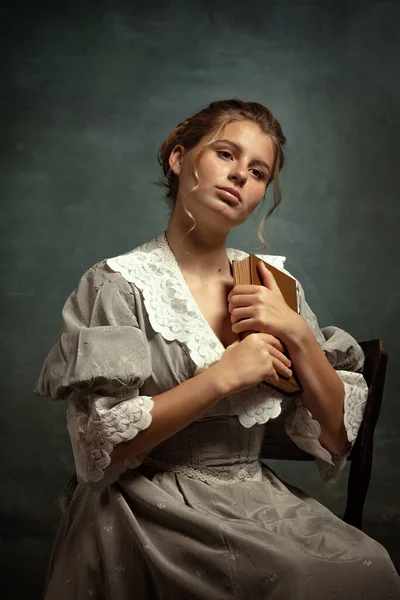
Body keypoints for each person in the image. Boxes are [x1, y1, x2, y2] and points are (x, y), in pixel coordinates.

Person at [35, 99, 400, 599]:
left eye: (257, 172)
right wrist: (224, 375)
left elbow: (337, 439)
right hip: (143, 504)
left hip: (254, 499)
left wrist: (293, 331)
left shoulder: (276, 284)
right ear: (180, 159)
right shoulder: (116, 285)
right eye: (225, 154)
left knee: (369, 567)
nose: (239, 177)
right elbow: (102, 449)